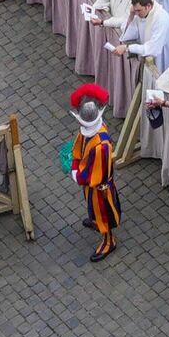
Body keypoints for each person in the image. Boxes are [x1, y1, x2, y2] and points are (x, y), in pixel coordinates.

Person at [63, 86, 121, 264]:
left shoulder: (101, 146)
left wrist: (74, 171)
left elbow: (88, 177)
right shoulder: (94, 132)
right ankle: (97, 224)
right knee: (94, 210)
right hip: (93, 187)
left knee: (103, 214)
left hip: (100, 187)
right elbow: (79, 148)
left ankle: (108, 241)